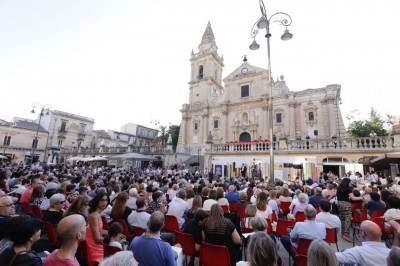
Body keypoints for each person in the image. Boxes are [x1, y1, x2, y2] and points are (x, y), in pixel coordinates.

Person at [86, 192, 109, 266]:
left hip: (95, 243)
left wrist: (111, 233)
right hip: (94, 246)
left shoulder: (97, 214)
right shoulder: (94, 216)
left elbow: (98, 229)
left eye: (106, 200)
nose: (105, 202)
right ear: (97, 201)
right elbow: (97, 239)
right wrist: (112, 238)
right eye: (102, 200)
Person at [336, 177, 362, 242]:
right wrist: (362, 197)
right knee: (347, 218)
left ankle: (342, 232)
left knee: (342, 218)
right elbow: (353, 198)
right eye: (350, 182)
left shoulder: (339, 188)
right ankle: (346, 234)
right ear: (347, 182)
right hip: (346, 204)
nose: (351, 183)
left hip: (339, 204)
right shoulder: (348, 189)